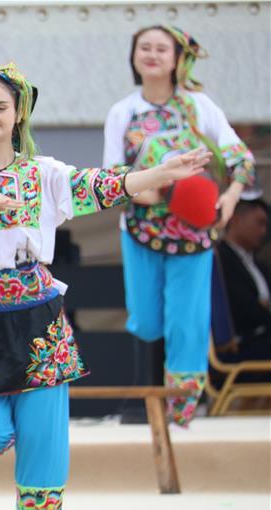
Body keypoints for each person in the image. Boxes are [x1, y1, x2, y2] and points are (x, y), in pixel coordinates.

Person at [0, 62, 208, 510]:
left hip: (39, 311)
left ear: (19, 112)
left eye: (0, 106)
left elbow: (104, 186)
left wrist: (161, 173)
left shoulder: (44, 173)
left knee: (44, 435)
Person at [103, 25, 255, 426]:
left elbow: (240, 158)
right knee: (146, 318)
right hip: (140, 230)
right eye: (144, 48)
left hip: (194, 235)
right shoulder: (123, 112)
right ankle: (147, 403)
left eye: (161, 48)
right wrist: (156, 190)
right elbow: (110, 179)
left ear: (177, 59)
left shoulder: (200, 107)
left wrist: (230, 197)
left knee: (187, 321)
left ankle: (183, 408)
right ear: (133, 56)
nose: (152, 54)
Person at [216, 192, 271, 361]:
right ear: (236, 219)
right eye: (259, 223)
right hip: (242, 346)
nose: (263, 231)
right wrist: (264, 309)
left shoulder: (259, 265)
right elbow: (241, 307)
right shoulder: (220, 259)